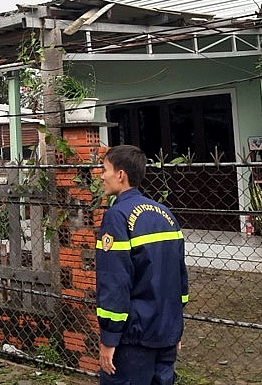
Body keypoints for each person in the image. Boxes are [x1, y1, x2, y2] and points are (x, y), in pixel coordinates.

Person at [95, 144, 189, 385]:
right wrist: (175, 327)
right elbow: (180, 276)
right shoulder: (165, 214)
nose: (101, 175)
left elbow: (114, 283)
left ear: (120, 175)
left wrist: (109, 339)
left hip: (134, 339)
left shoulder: (117, 217)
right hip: (166, 330)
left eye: (105, 169)